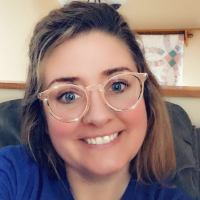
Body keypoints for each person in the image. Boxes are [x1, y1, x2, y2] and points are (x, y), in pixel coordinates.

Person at [0, 2, 195, 200]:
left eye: (117, 86)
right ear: (43, 116)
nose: (98, 117)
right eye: (69, 96)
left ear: (146, 96)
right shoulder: (11, 174)